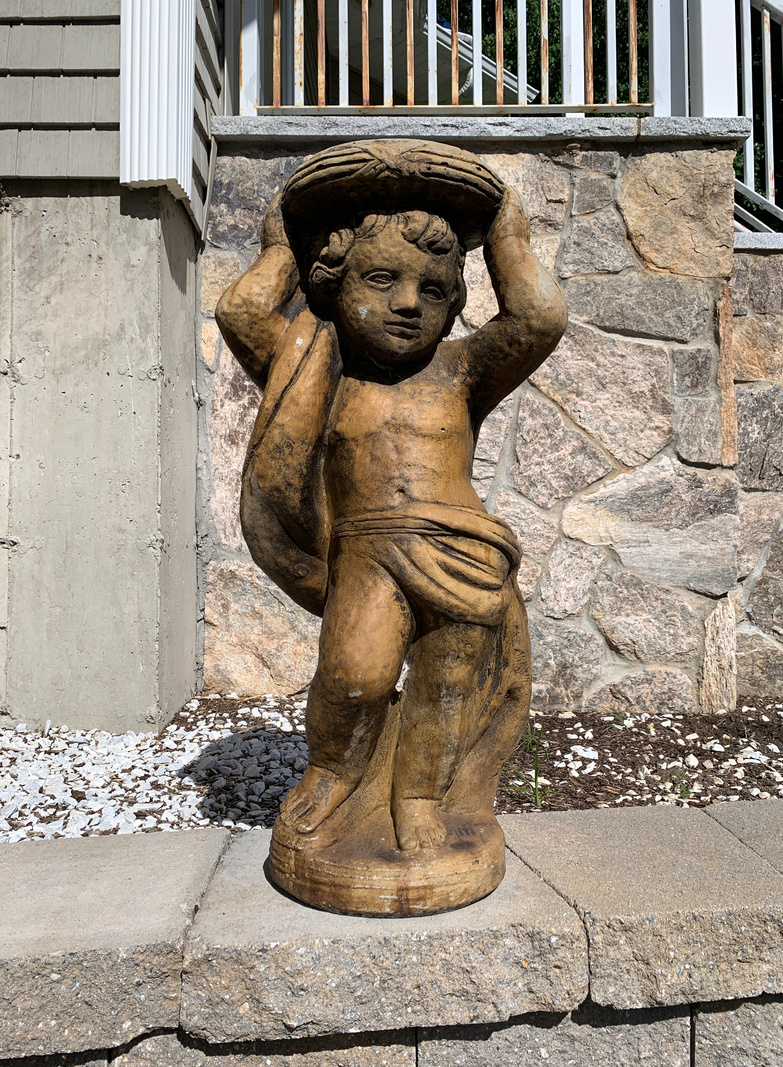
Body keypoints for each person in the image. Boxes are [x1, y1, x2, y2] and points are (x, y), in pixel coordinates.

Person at [218, 162, 566, 853]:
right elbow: (240, 312)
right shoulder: (319, 361)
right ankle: (332, 771)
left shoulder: (462, 369)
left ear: (454, 300)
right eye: (382, 279)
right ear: (333, 283)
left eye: (433, 289)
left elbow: (539, 316)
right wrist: (283, 244)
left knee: (448, 685)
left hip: (463, 552)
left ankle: (419, 797)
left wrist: (507, 231)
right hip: (366, 552)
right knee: (354, 675)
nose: (409, 303)